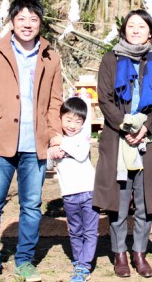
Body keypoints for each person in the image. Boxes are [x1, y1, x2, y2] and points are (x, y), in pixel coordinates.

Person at [0, 0, 63, 282]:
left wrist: (54, 137)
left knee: (32, 206)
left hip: (34, 145)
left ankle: (24, 261)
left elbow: (55, 102)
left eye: (33, 19)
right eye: (21, 18)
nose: (27, 24)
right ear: (12, 21)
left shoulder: (51, 56)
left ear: (40, 24)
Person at [93, 9, 152, 278]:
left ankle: (139, 253)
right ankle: (119, 253)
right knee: (119, 198)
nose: (136, 30)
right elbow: (104, 98)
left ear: (150, 32)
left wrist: (146, 127)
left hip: (147, 139)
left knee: (145, 199)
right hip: (118, 137)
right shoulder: (110, 59)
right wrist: (126, 126)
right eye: (131, 26)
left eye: (141, 26)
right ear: (124, 30)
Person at [47, 97, 99, 282]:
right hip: (68, 194)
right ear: (60, 119)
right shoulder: (55, 141)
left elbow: (81, 153)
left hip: (88, 191)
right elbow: (48, 163)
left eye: (78, 122)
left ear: (83, 123)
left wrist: (62, 143)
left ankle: (84, 266)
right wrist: (53, 151)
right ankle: (78, 261)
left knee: (90, 230)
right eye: (68, 120)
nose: (72, 125)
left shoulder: (83, 137)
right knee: (75, 230)